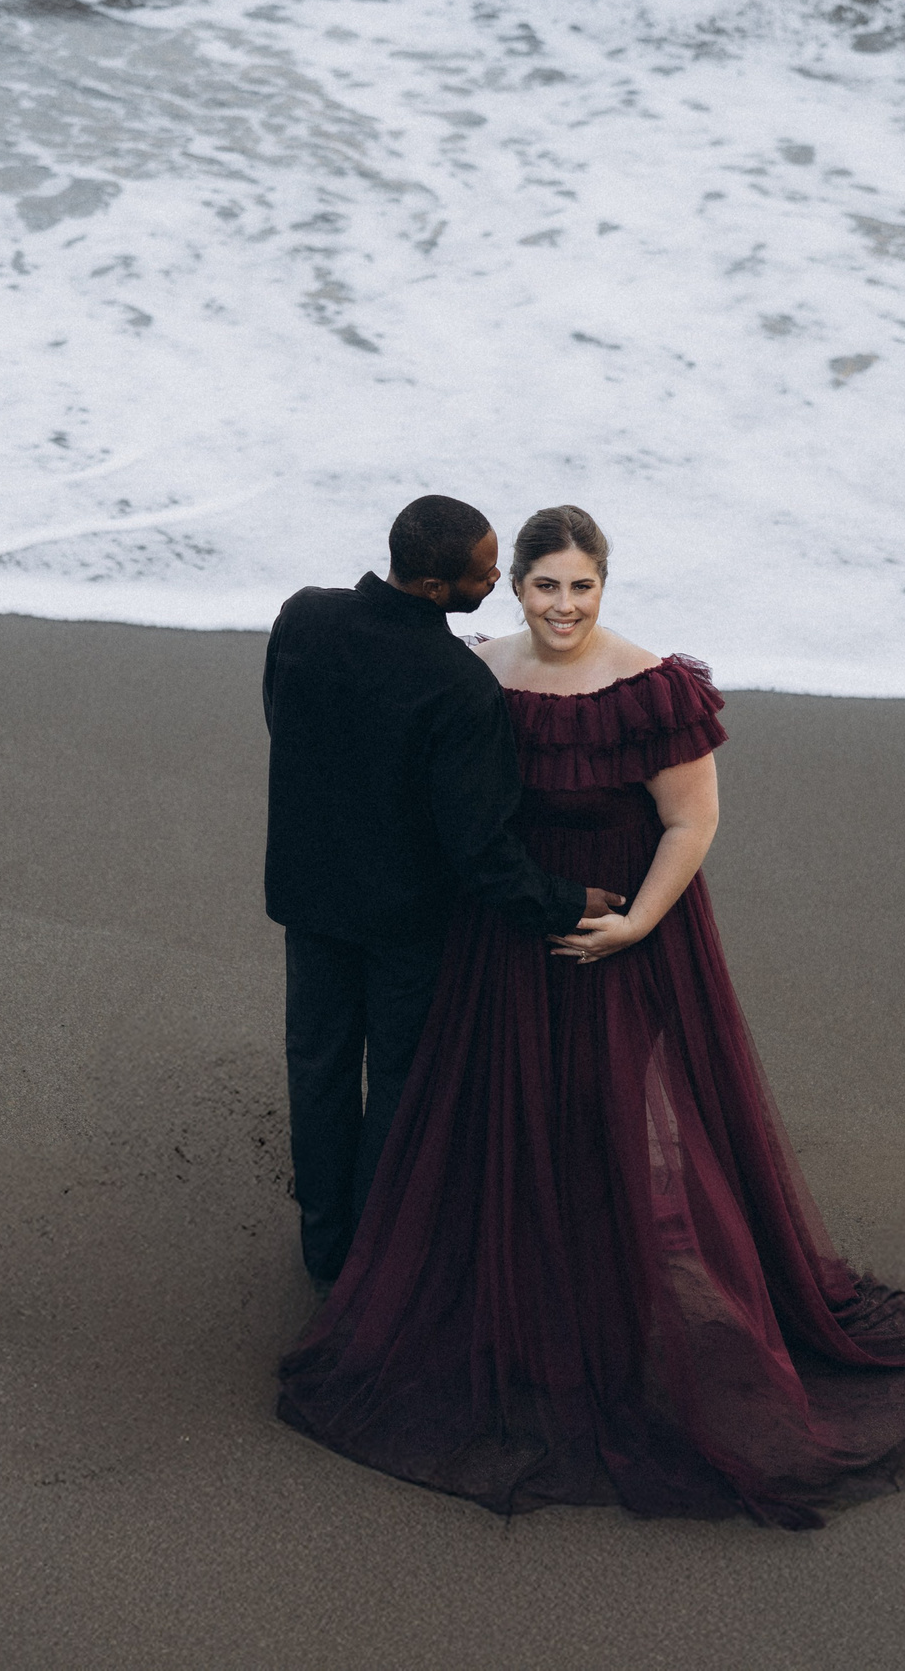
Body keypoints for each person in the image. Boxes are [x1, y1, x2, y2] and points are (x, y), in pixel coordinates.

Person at [277, 505, 905, 1529]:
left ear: (604, 586)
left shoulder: (652, 689)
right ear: (508, 585)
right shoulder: (471, 672)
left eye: (582, 586)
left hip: (621, 934)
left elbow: (691, 819)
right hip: (502, 936)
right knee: (487, 1107)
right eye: (542, 584)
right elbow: (445, 810)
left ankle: (592, 1297)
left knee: (607, 1109)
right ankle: (469, 1275)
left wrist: (633, 926)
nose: (563, 606)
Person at [262, 494, 626, 1294]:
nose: (499, 579)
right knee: (397, 1076)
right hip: (404, 921)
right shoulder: (460, 688)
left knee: (316, 1069)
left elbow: (280, 721)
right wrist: (566, 900)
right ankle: (373, 1255)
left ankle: (324, 1245)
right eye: (487, 570)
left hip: (310, 897)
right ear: (437, 586)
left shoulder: (304, 618)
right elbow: (483, 852)